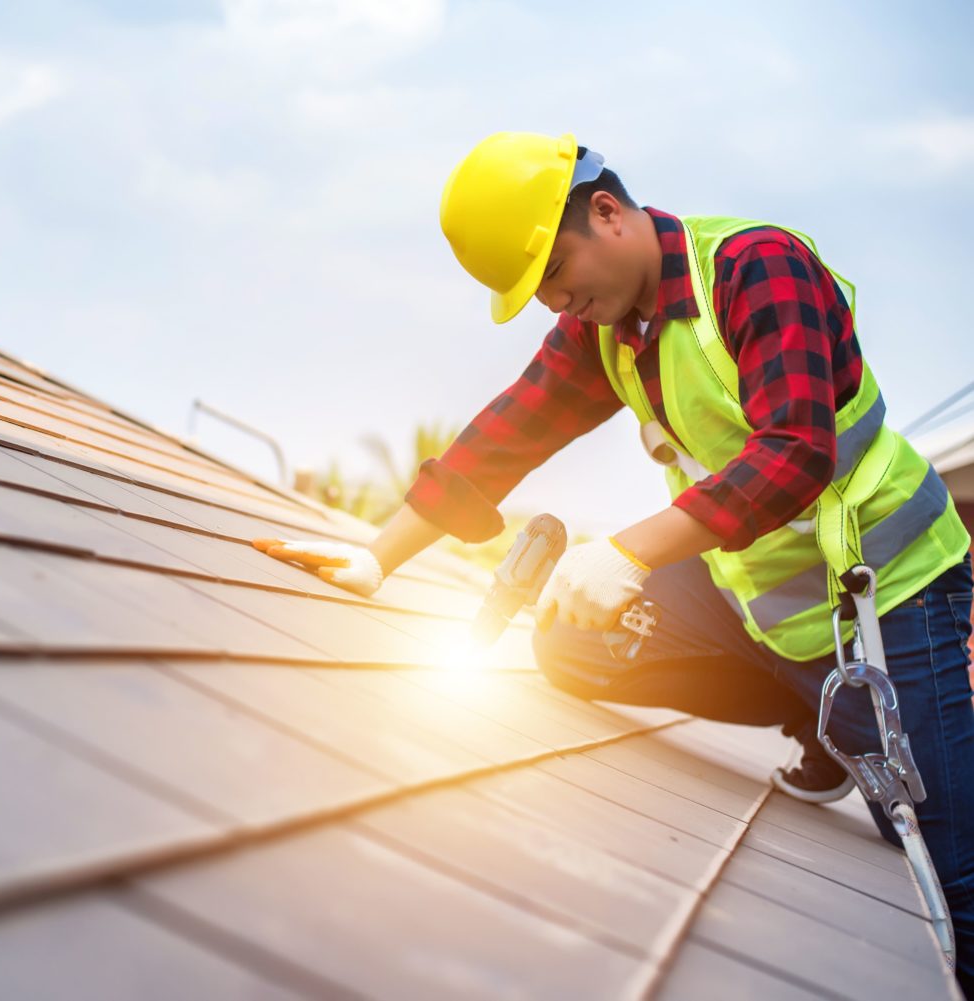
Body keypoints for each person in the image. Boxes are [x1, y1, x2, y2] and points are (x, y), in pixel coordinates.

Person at [253, 131, 974, 993]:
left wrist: (631, 549)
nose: (560, 302)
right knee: (573, 639)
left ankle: (848, 726)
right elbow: (510, 429)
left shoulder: (755, 268)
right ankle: (811, 714)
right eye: (543, 294)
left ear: (606, 212)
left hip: (891, 594)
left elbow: (795, 455)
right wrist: (378, 559)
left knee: (945, 863)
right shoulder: (606, 326)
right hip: (763, 604)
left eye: (559, 275)